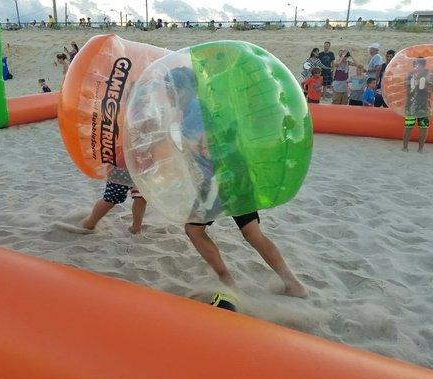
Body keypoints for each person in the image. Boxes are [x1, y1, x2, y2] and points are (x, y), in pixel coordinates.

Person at [166, 66, 307, 297]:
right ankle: (293, 284)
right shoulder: (207, 106)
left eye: (170, 89)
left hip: (219, 181)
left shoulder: (193, 114)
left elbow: (202, 149)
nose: (168, 94)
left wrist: (179, 138)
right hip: (238, 172)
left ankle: (227, 281)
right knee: (253, 233)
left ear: (183, 89)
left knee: (193, 229)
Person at [82, 170, 147, 234]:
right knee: (110, 200)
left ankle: (136, 228)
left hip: (139, 169)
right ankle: (90, 223)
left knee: (140, 197)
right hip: (122, 169)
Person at [402, 57, 433, 153]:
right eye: (414, 65)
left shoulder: (429, 75)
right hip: (412, 105)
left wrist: (424, 86)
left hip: (423, 105)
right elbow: (407, 91)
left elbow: (432, 89)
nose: (416, 67)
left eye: (417, 65)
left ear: (423, 65)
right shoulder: (410, 75)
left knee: (423, 127)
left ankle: (419, 149)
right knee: (409, 127)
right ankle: (405, 147)